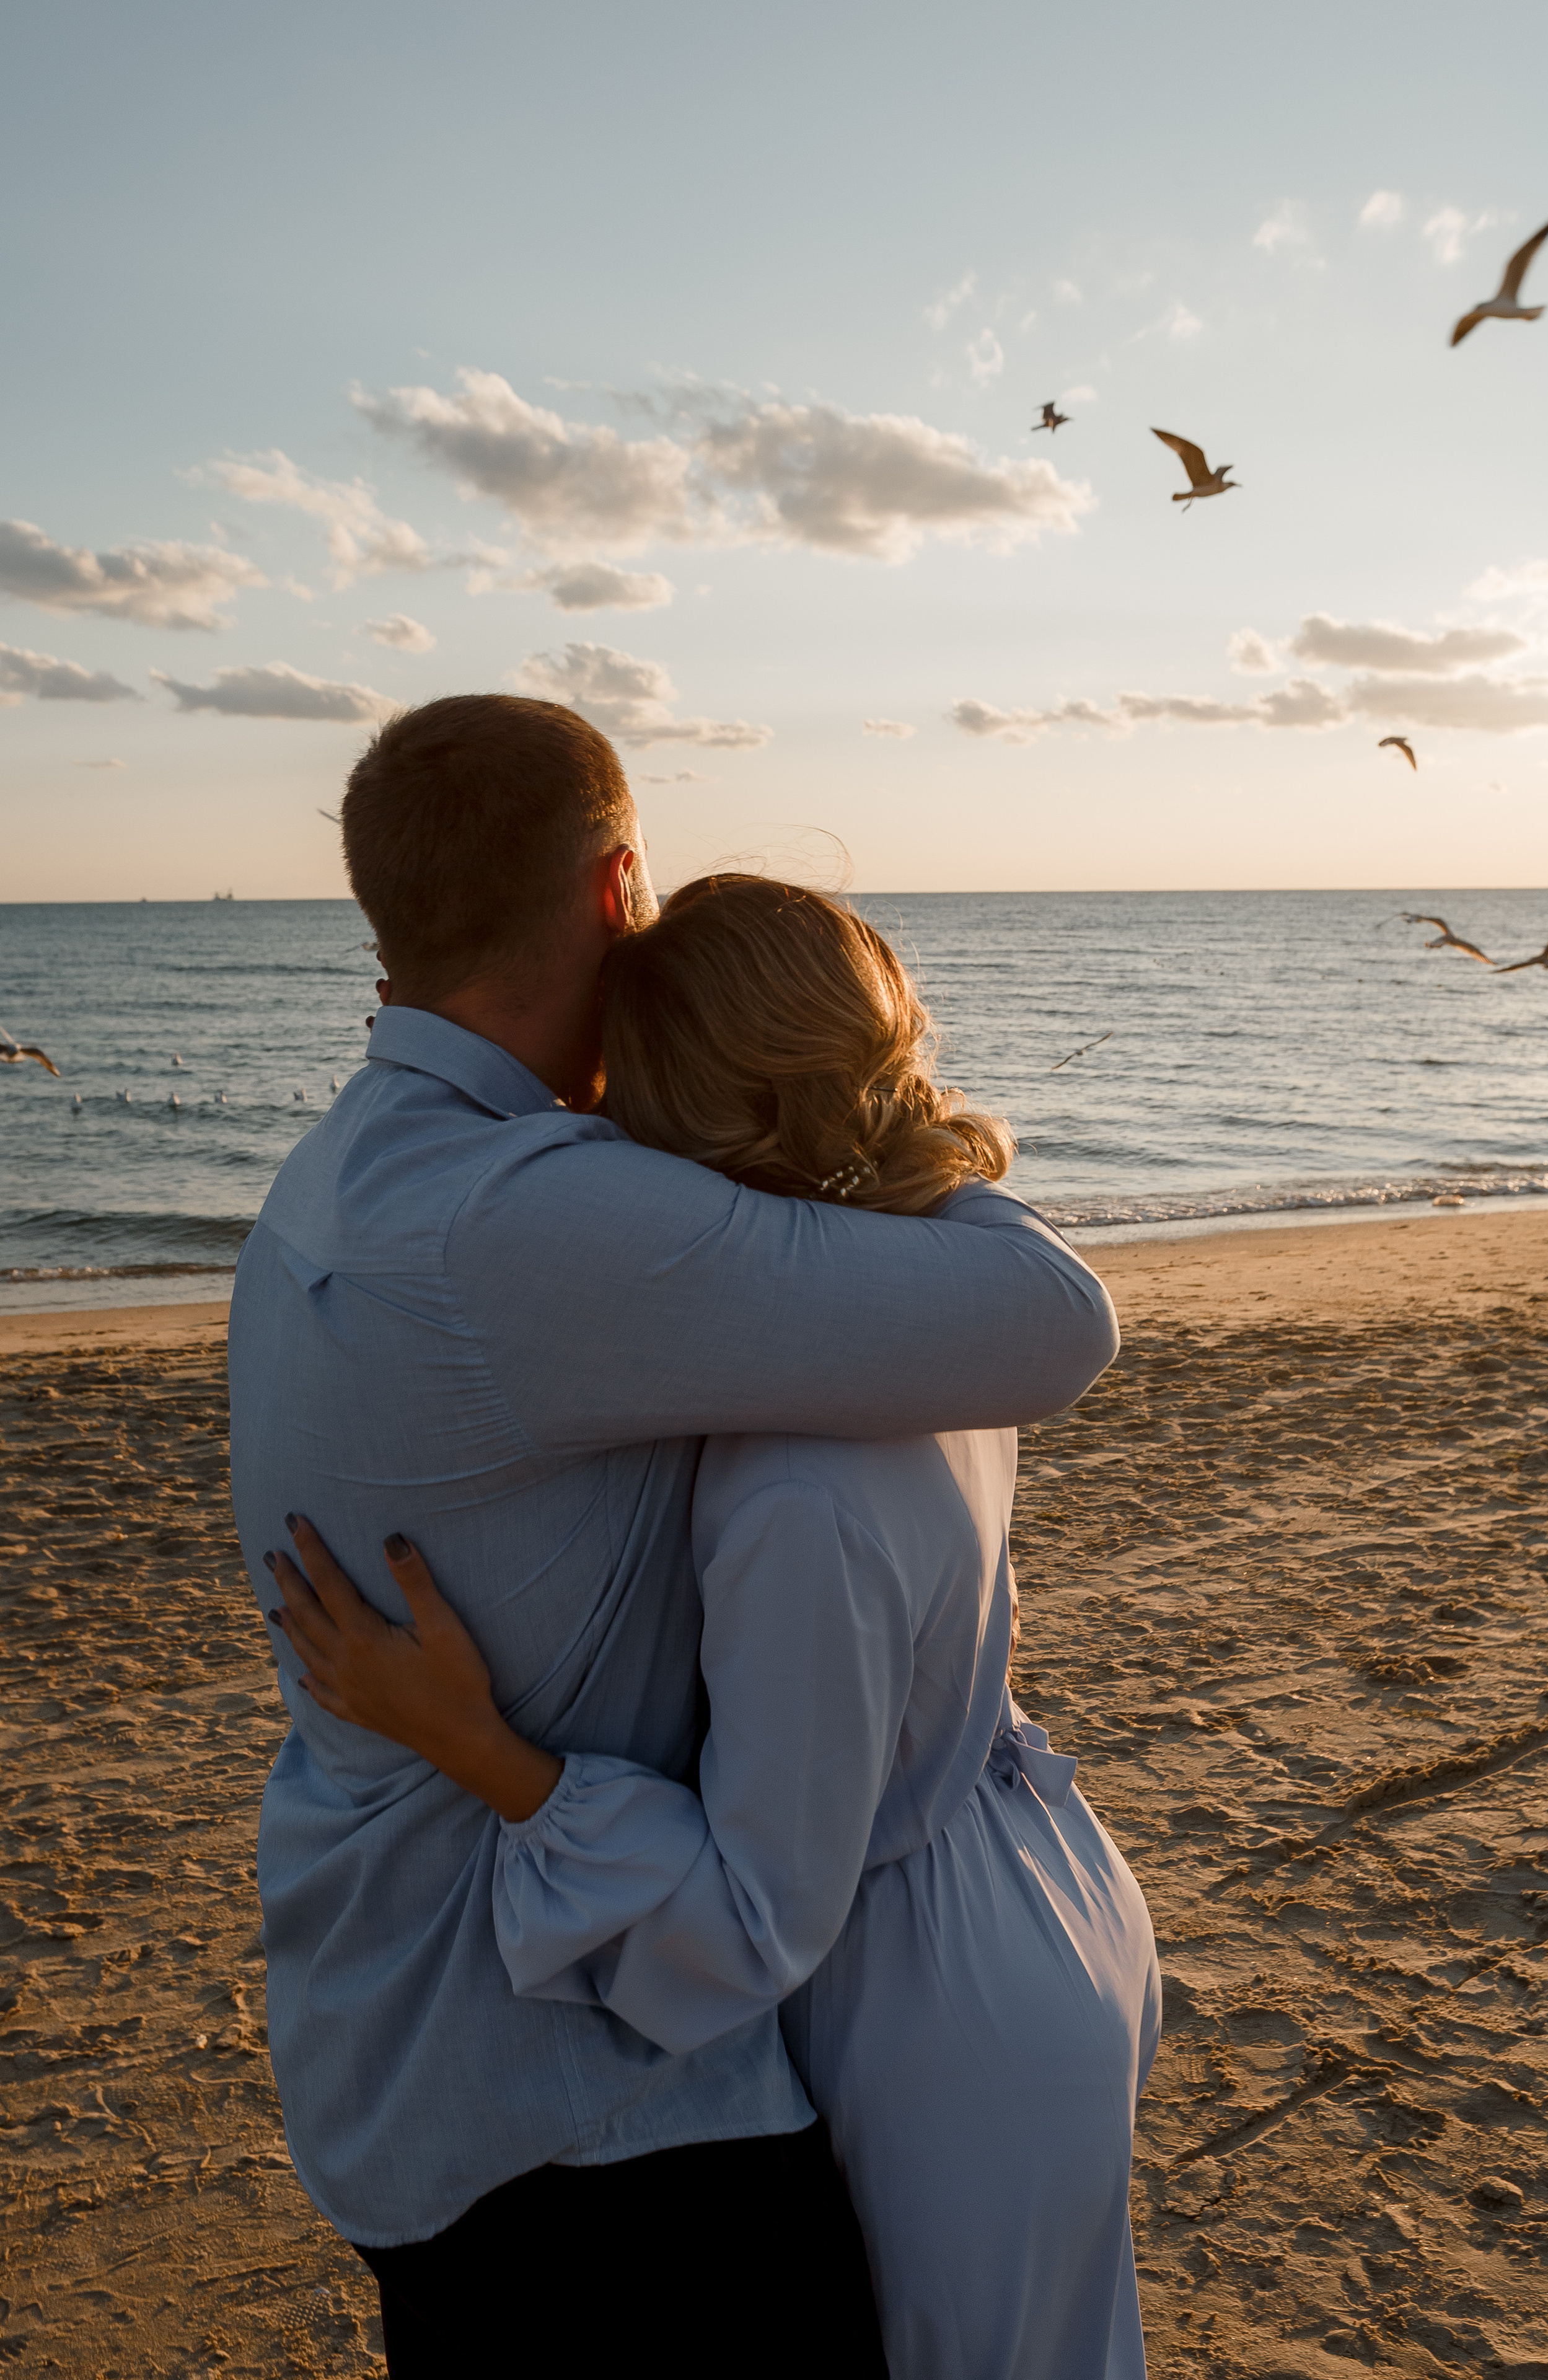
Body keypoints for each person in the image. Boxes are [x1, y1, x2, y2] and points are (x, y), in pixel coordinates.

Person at [227, 697, 1121, 2374]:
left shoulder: (328, 1181)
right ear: (616, 884)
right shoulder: (541, 1221)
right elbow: (1052, 1318)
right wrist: (876, 1110)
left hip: (390, 2020)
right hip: (583, 2097)